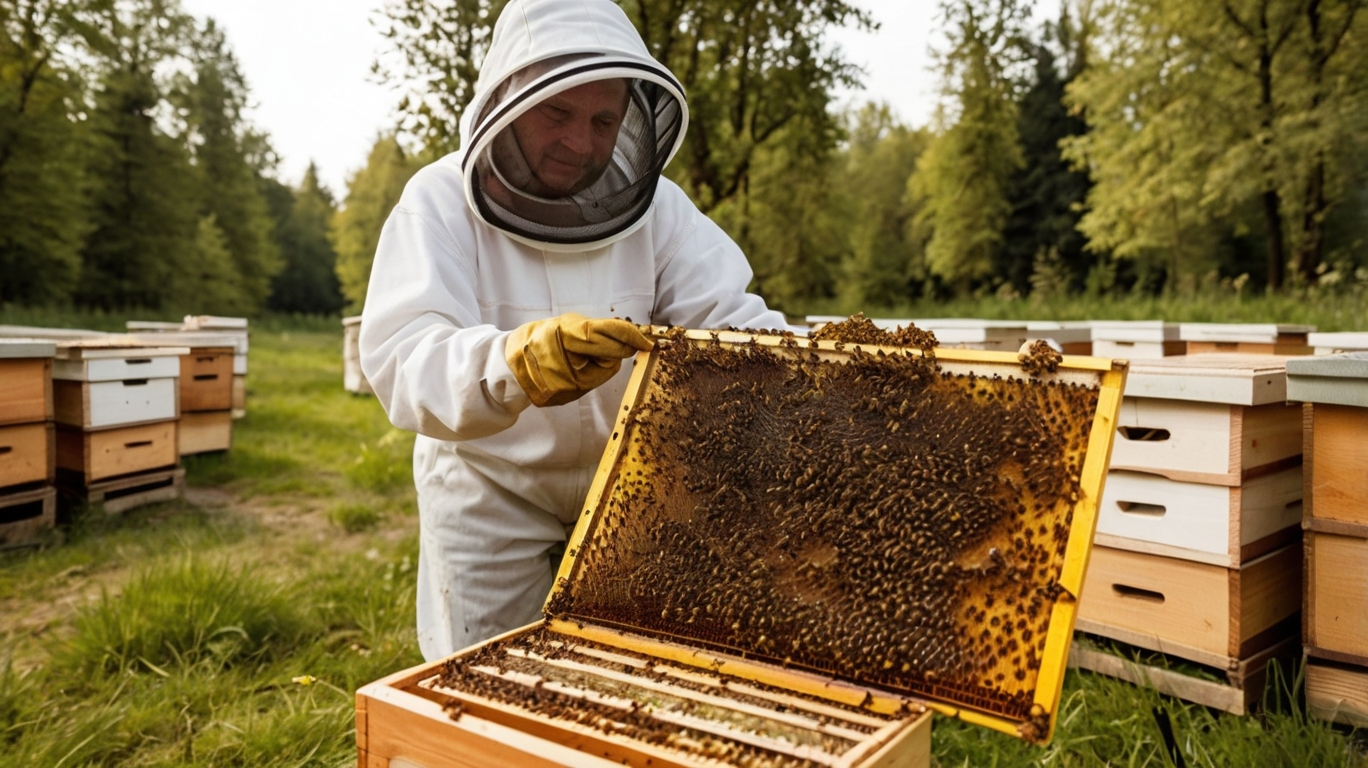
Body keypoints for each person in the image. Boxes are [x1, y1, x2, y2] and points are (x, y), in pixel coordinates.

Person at [359, 0, 790, 662]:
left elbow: (728, 322)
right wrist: (513, 363)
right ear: (507, 97)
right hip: (489, 489)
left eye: (602, 120)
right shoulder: (438, 201)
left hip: (631, 487)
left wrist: (829, 371)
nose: (580, 141)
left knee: (630, 685)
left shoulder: (659, 211)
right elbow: (402, 358)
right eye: (556, 113)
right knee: (485, 696)